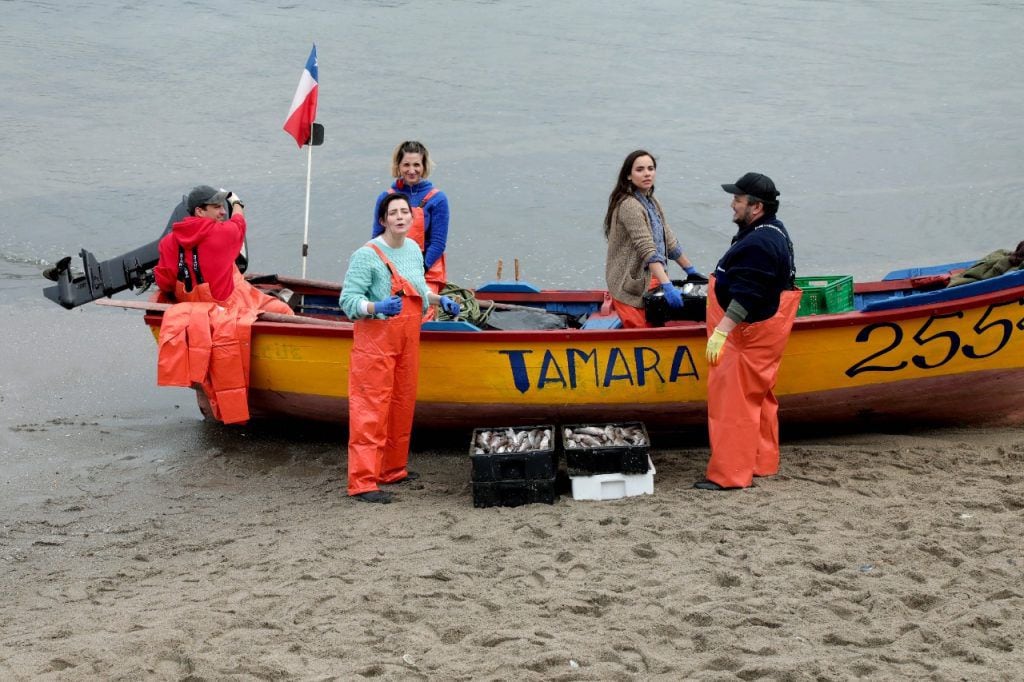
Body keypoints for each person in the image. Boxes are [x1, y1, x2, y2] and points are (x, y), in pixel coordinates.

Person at [340, 193, 461, 504]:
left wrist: (438, 300)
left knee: (401, 404)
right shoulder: (366, 255)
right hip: (375, 341)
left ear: (412, 218)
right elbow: (348, 301)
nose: (400, 217)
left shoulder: (411, 249)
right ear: (383, 220)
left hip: (408, 338)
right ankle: (363, 481)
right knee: (371, 409)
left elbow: (418, 289)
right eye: (393, 213)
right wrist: (375, 305)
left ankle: (392, 469)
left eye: (404, 212)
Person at [696, 172, 801, 491]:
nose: (732, 204)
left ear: (756, 207)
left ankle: (730, 475)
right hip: (768, 328)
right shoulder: (771, 230)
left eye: (738, 200)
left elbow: (748, 293)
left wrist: (722, 332)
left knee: (733, 405)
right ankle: (761, 461)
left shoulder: (760, 243)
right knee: (759, 396)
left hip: (746, 335)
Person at [603, 150, 703, 328]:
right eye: (640, 169)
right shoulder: (629, 205)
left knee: (657, 325)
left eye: (650, 168)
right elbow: (647, 250)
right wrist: (668, 286)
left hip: (652, 279)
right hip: (630, 287)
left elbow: (668, 239)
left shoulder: (651, 201)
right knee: (644, 334)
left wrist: (690, 270)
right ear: (628, 175)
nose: (647, 173)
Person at [153, 185, 291, 315]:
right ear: (199, 211)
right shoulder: (223, 233)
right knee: (284, 310)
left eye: (223, 206)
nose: (224, 212)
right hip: (227, 310)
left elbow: (165, 284)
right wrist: (237, 203)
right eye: (217, 207)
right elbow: (239, 221)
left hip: (190, 310)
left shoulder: (167, 242)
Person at [372, 141, 450, 307]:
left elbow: (438, 243)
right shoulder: (385, 197)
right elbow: (377, 239)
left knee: (421, 315)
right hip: (392, 269)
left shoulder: (438, 199)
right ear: (398, 166)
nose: (411, 170)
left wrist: (417, 271)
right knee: (390, 313)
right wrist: (388, 271)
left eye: (417, 165)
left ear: (424, 166)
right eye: (406, 165)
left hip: (425, 271)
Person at [947, 241, 1024, 287]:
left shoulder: (1001, 252)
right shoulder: (1013, 268)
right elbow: (987, 280)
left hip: (961, 278)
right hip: (969, 284)